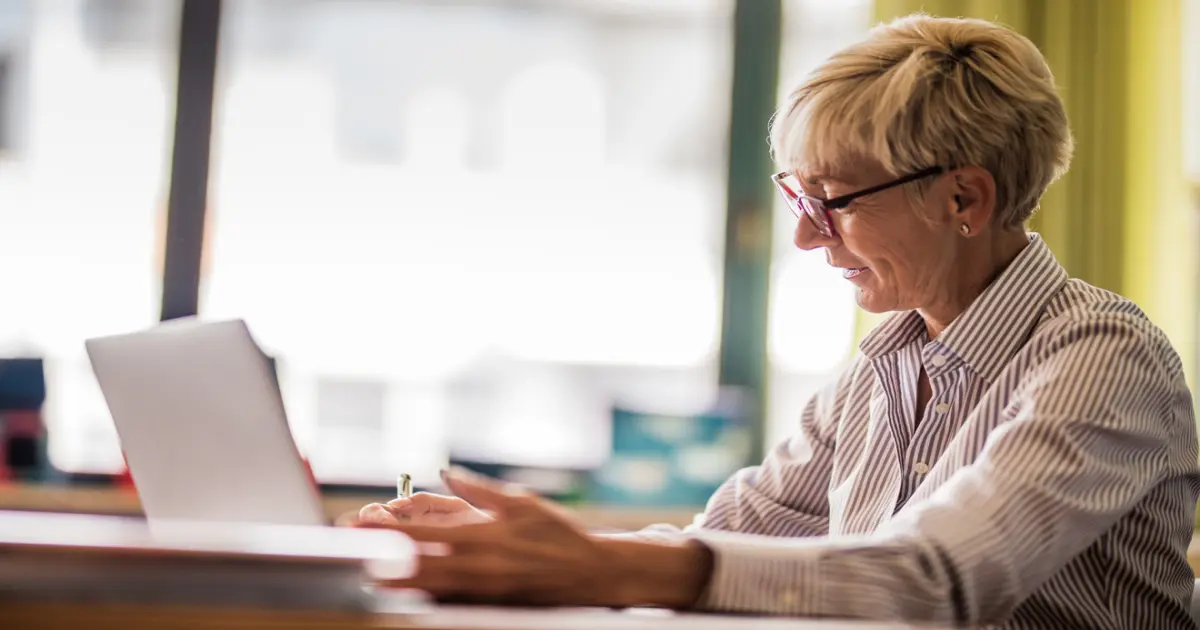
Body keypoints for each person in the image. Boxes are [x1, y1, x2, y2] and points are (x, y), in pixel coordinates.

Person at [352, 14, 1200, 628]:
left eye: (833, 200)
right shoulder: (880, 372)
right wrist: (524, 543)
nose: (802, 233)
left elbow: (936, 581)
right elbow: (722, 543)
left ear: (964, 198)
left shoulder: (1103, 358)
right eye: (799, 196)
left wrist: (596, 562)